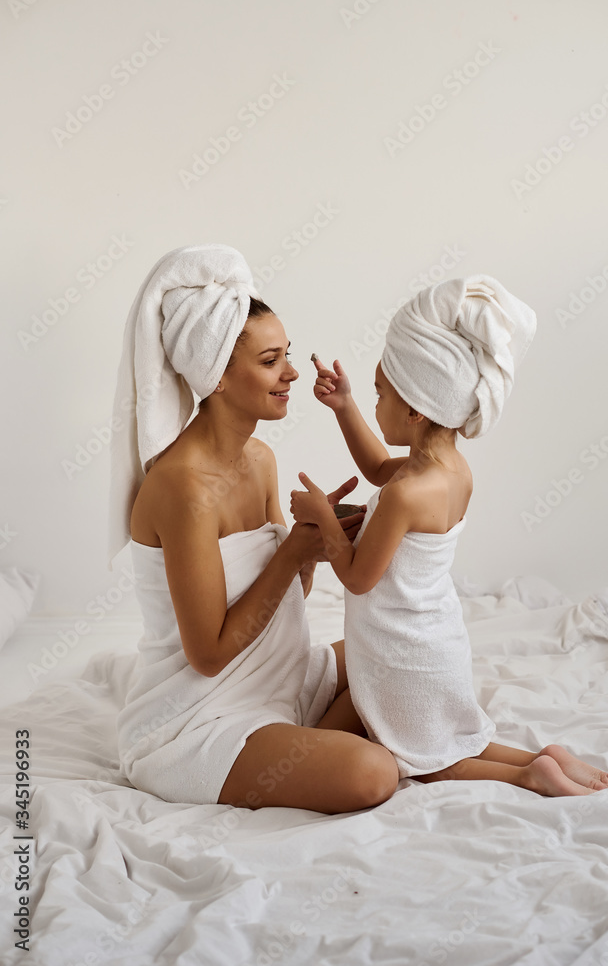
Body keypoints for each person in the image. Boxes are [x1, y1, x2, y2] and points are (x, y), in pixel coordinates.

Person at [290, 276, 608, 797]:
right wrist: (345, 406)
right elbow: (377, 466)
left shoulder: (405, 495)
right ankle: (544, 755)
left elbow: (355, 577)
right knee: (449, 739)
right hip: (435, 642)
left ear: (416, 408)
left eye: (378, 395)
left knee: (428, 763)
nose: (374, 405)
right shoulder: (450, 471)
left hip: (401, 653)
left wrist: (321, 518)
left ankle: (529, 775)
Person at [111, 244, 400, 814]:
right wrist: (292, 551)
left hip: (280, 677)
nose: (292, 372)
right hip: (202, 713)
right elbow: (211, 655)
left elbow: (288, 600)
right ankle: (330, 742)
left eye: (286, 355)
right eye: (271, 362)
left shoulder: (261, 459)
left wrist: (318, 547)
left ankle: (314, 737)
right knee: (373, 776)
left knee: (401, 653)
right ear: (217, 376)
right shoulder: (182, 489)